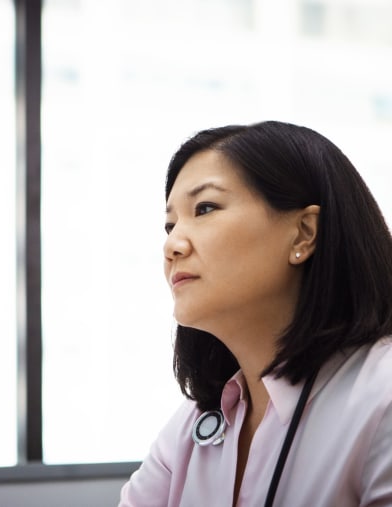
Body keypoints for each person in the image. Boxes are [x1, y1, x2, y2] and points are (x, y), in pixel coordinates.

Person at [118, 121, 392, 507]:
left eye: (205, 208)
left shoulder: (381, 395)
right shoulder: (193, 423)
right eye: (169, 225)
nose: (173, 244)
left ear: (303, 233)